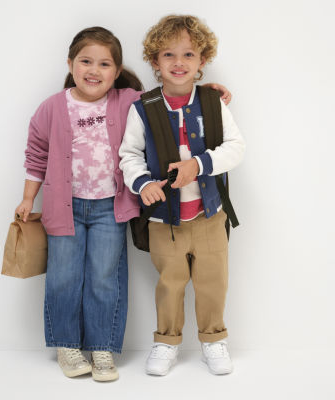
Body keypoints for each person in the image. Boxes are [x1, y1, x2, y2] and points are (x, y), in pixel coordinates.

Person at [15, 26, 232, 382]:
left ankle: (102, 347)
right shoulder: (52, 107)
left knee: (105, 279)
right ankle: (67, 345)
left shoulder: (127, 100)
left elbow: (171, 95)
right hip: (63, 208)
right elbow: (36, 154)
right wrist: (28, 198)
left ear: (116, 71)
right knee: (63, 277)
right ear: (70, 64)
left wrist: (205, 92)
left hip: (109, 209)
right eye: (85, 61)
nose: (94, 71)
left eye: (104, 64)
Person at [119, 15, 245, 376]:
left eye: (188, 54)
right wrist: (142, 183)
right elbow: (129, 154)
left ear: (202, 60)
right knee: (169, 284)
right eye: (168, 54)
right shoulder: (143, 108)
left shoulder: (213, 102)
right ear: (155, 61)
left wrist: (200, 164)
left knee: (213, 282)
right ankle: (166, 342)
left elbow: (235, 148)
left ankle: (213, 340)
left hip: (210, 216)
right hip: (165, 221)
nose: (179, 62)